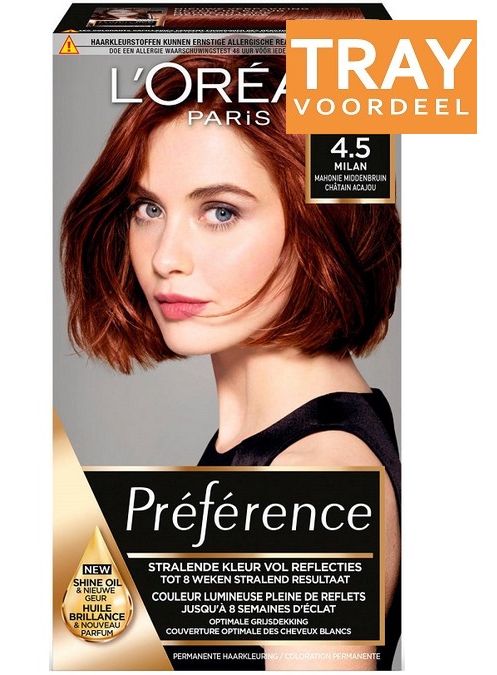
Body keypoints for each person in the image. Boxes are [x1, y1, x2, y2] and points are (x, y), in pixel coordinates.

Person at [60, 52, 401, 670]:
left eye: (221, 211)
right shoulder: (264, 447)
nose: (165, 257)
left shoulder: (310, 482)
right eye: (149, 209)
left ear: (324, 222)